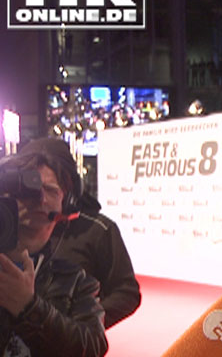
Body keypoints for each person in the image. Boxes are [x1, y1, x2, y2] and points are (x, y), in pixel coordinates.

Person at [20, 138, 141, 329]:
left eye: (50, 190)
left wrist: (83, 322)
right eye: (32, 188)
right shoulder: (11, 227)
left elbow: (126, 293)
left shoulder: (99, 230)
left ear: (68, 193)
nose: (40, 199)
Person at [0, 141, 107, 356]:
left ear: (67, 203)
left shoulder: (76, 281)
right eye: (28, 189)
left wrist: (29, 308)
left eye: (50, 190)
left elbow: (92, 347)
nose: (39, 198)